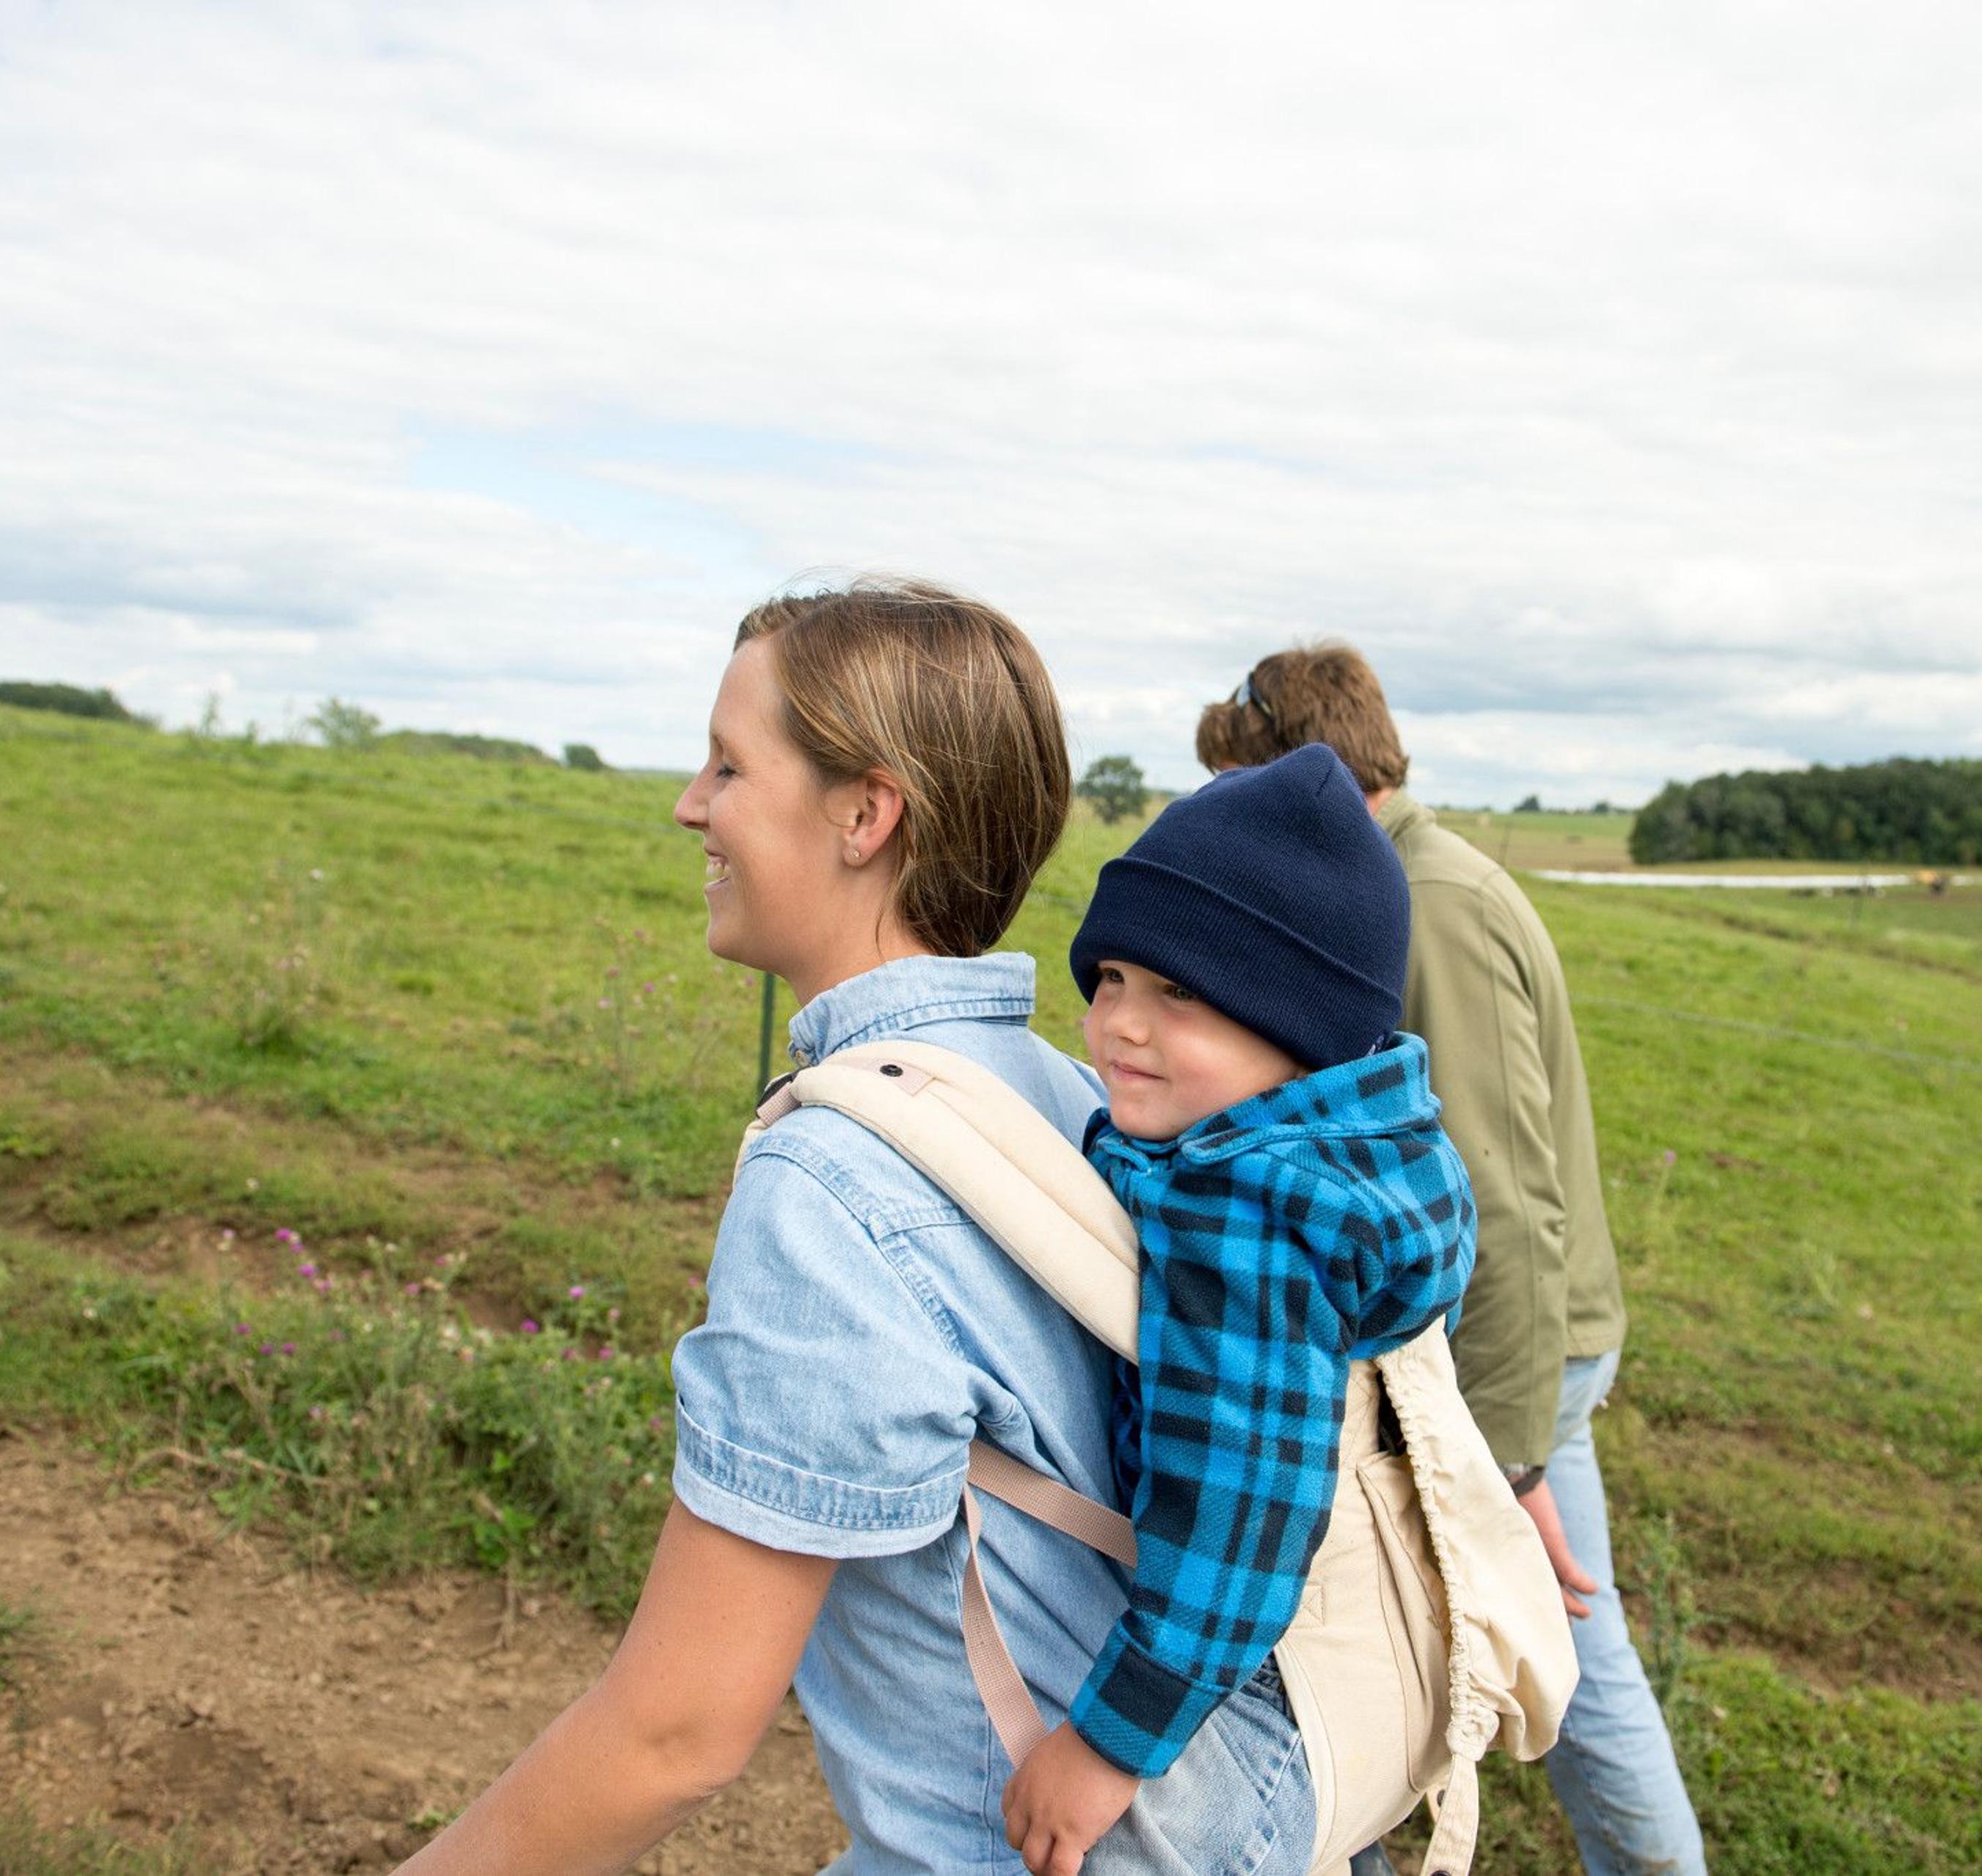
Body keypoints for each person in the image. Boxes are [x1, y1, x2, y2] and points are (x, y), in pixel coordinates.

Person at [397, 581, 1314, 1876]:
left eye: (730, 764)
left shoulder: (834, 1184)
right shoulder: (1064, 1095)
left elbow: (676, 1733)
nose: (690, 804)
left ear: (866, 815)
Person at [1195, 647, 1706, 1876]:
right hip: (1463, 1347)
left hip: (1508, 1358)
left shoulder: (1436, 904)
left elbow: (1507, 1200)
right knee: (1423, 1641)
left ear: (1306, 776)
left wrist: (1511, 1448)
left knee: (1563, 1663)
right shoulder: (1397, 882)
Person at [1001, 744, 1476, 1873]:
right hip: (1351, 1667)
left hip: (1239, 1660)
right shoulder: (1353, 1148)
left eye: (1181, 994)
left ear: (1298, 1025)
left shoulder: (1244, 1209)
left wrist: (1108, 1747)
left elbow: (1240, 1520)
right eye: (1111, 977)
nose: (1119, 1023)